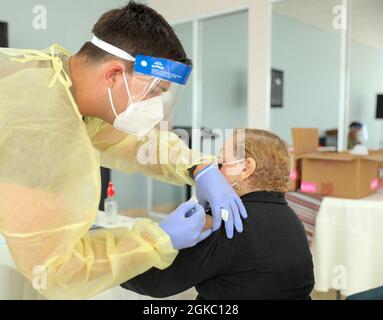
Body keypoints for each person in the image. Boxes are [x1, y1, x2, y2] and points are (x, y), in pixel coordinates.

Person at [0, 1, 247, 299]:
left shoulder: (59, 78)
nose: (157, 112)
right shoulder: (39, 127)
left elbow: (131, 143)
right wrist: (159, 240)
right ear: (113, 75)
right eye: (155, 92)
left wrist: (198, 166)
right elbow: (56, 270)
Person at [122, 129, 315, 300]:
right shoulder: (292, 219)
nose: (214, 170)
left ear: (246, 168)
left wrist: (124, 252)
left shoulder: (229, 221)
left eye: (221, 162)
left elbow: (156, 282)